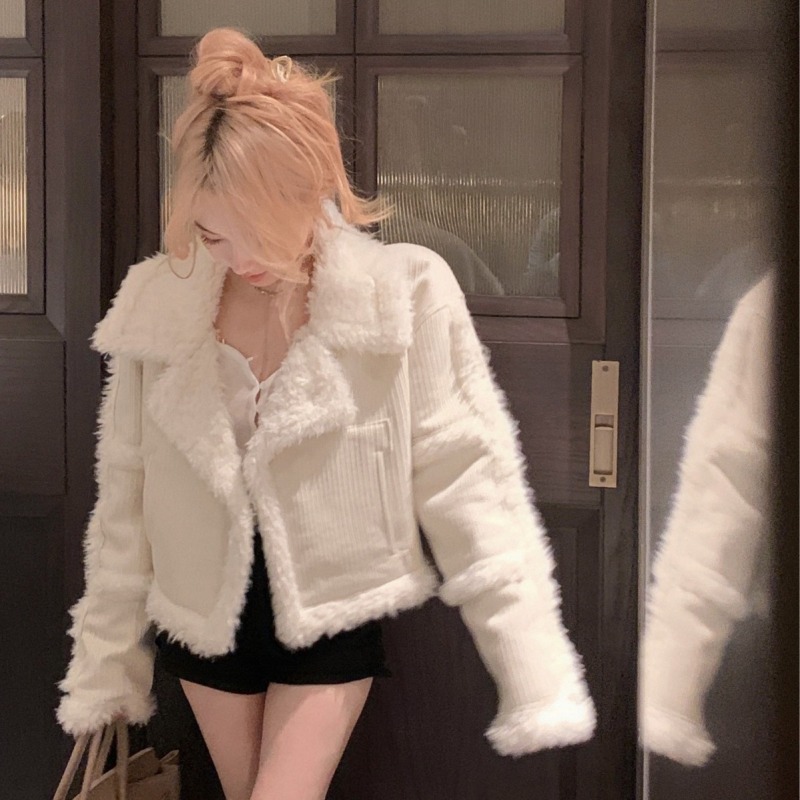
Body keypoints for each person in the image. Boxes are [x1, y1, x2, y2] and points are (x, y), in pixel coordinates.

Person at [56, 27, 595, 800]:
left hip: (330, 613)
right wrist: (105, 665)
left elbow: (467, 474)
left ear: (311, 192)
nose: (240, 258)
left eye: (258, 234)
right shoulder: (161, 302)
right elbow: (126, 496)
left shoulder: (400, 291)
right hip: (203, 616)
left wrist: (532, 662)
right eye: (213, 235)